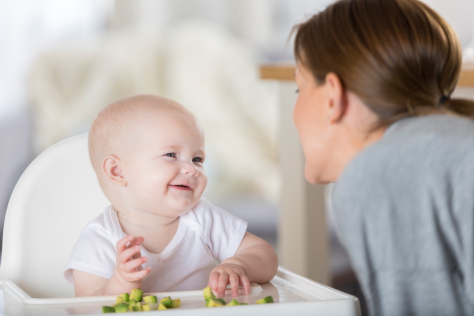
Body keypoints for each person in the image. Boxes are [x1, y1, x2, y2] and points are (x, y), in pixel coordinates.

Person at [292, 0, 474, 315]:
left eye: (299, 90)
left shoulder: (380, 173)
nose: (295, 110)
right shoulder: (449, 146)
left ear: (332, 96)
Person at [64, 94, 278, 297]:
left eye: (197, 159)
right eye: (171, 155)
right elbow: (86, 307)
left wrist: (239, 266)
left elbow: (264, 254)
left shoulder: (202, 217)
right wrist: (121, 282)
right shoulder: (100, 238)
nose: (192, 169)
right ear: (117, 171)